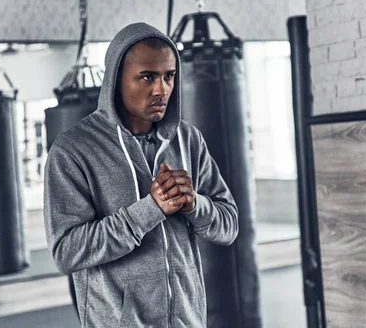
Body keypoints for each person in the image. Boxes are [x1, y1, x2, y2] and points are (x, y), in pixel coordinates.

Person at [43, 22, 239, 327]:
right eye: (147, 77)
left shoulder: (188, 140)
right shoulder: (73, 150)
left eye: (168, 76)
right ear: (115, 80)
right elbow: (67, 251)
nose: (161, 89)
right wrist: (150, 210)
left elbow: (229, 226)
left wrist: (194, 204)